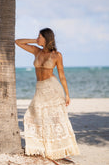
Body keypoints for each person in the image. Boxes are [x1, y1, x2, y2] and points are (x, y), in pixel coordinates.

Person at [15, 28, 80, 162]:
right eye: (38, 36)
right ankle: (42, 148)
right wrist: (36, 41)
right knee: (31, 117)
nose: (37, 37)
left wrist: (67, 94)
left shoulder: (56, 55)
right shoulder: (36, 51)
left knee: (56, 120)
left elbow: (62, 75)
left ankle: (60, 151)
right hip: (40, 88)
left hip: (53, 89)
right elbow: (18, 42)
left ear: (46, 38)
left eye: (39, 36)